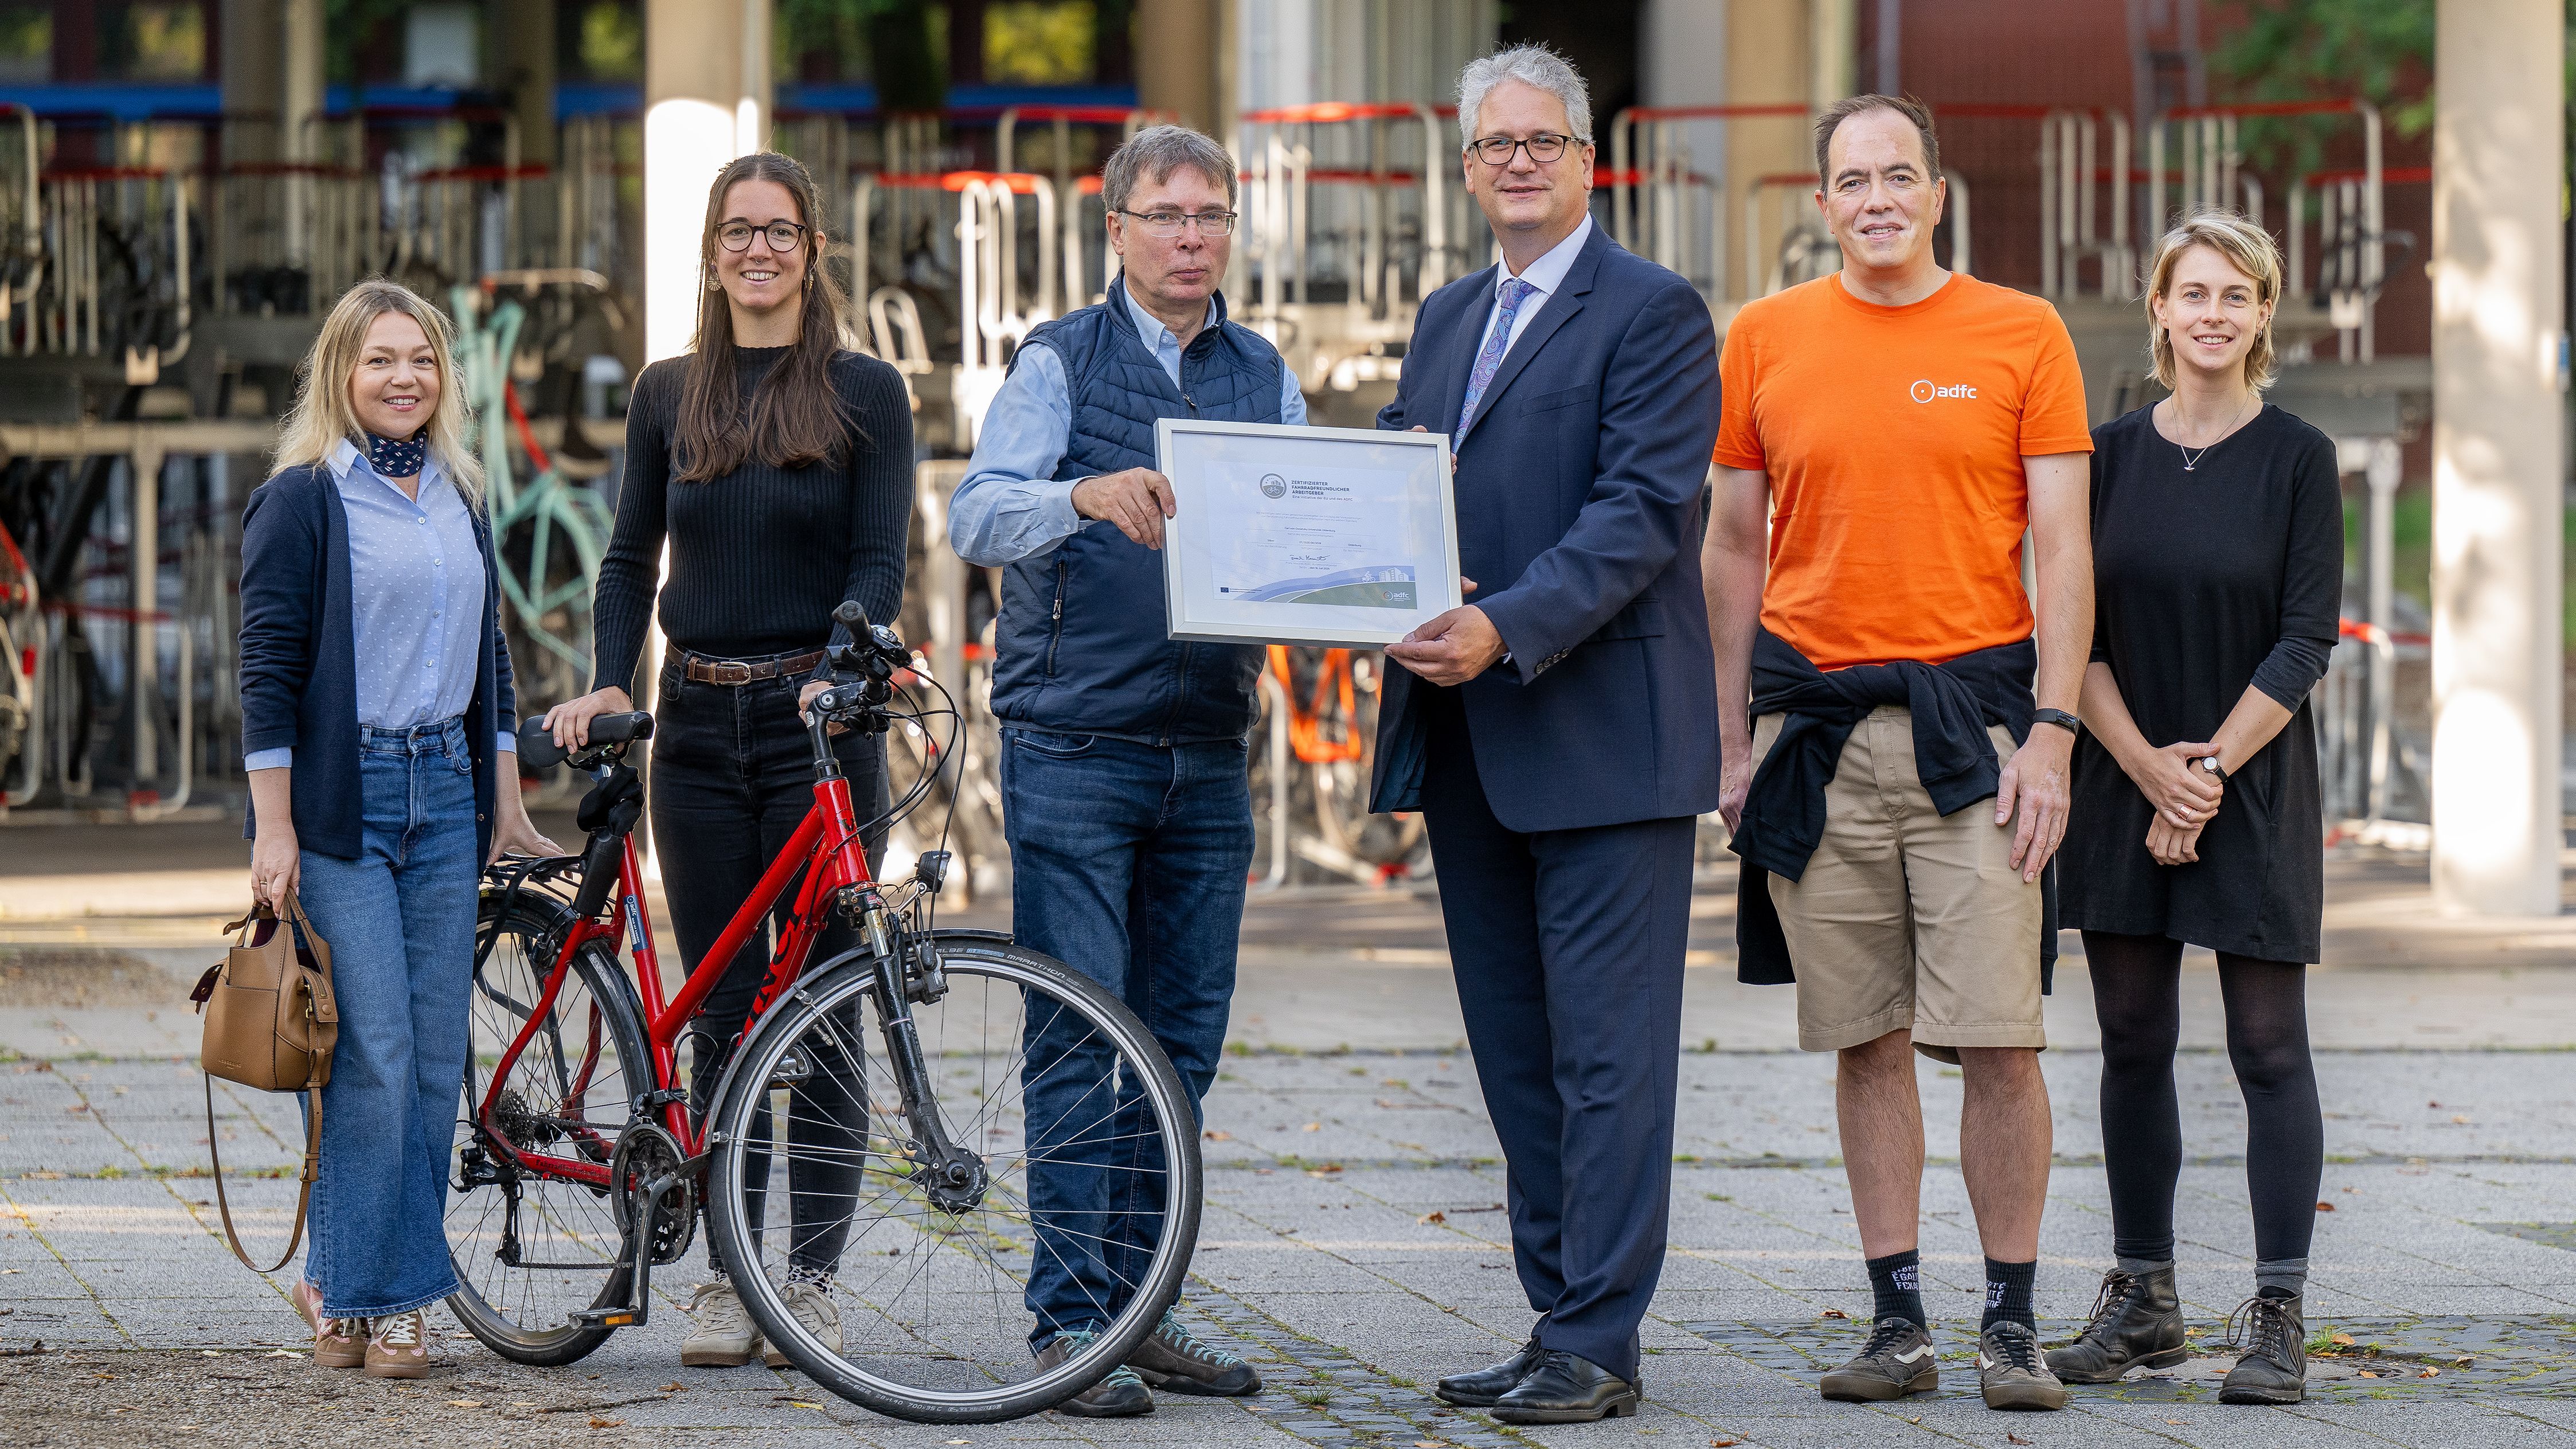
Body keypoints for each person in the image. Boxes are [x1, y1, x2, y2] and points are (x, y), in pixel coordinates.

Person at [1705, 93, 2094, 1413]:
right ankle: (1898, 1323)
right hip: (1813, 736)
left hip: (1976, 740)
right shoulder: (1764, 337)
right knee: (1864, 1039)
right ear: (1823, 203)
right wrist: (1731, 741)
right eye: (1852, 179)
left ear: (1938, 193)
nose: (1876, 198)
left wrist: (2054, 735)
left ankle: (2013, 1325)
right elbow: (1731, 547)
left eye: (1899, 175)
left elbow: (2065, 550)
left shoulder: (2022, 332)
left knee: (2001, 1039)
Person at [1369, 45, 1719, 1425]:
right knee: (1517, 1056)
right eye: (1493, 143)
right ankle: (1556, 1313)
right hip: (1471, 743)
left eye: (1543, 141)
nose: (1518, 162)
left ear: (1587, 159)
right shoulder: (1447, 317)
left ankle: (1602, 1337)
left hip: (1602, 739)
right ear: (1467, 167)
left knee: (1608, 1060)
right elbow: (1400, 490)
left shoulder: (1655, 311)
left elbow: (1642, 514)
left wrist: (1504, 624)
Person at [546, 151, 913, 1369]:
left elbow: (878, 560)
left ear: (813, 250)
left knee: (828, 1005)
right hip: (697, 729)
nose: (760, 250)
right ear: (711, 253)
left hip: (820, 730)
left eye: (781, 231)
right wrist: (612, 676)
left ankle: (807, 1281)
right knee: (723, 1007)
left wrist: (847, 658)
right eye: (739, 231)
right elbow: (628, 557)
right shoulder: (668, 393)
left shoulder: (866, 392)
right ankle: (726, 1277)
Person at [946, 123, 1291, 1416]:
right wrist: (1084, 497)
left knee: (1181, 1046)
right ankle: (1070, 1323)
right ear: (1118, 230)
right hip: (1075, 747)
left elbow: (1302, 533)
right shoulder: (1060, 358)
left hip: (1207, 749)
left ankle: (1140, 1309)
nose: (1191, 239)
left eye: (1211, 217)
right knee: (1080, 1036)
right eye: (1167, 216)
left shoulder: (1264, 372)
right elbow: (978, 512)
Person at [2046, 211, 2339, 1405]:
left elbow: (2305, 640)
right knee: (2131, 1040)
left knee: (2268, 1045)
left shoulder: (2298, 458)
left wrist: (2203, 774)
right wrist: (2146, 769)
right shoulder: (2102, 454)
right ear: (2158, 307)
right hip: (2122, 774)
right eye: (2193, 292)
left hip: (2253, 778)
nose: (2212, 313)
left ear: (2263, 313)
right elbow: (2074, 632)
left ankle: (2276, 1314)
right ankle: (2144, 1299)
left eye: (2235, 294)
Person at [239, 278, 558, 1376]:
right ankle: (398, 1302)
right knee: (370, 1049)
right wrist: (271, 829)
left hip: (446, 798)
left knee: (430, 1063)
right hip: (344, 801)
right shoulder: (301, 500)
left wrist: (505, 799)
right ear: (340, 373)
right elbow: (267, 672)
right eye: (379, 359)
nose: (402, 378)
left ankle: (342, 1288)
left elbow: (491, 660)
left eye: (420, 359)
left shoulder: (460, 494)